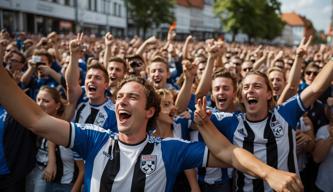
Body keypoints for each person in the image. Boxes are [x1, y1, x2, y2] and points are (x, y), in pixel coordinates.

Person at [0, 41, 303, 192]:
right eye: (119, 96)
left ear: (150, 111)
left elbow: (228, 152)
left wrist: (268, 173)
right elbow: (36, 119)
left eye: (132, 96)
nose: (121, 101)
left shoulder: (168, 149)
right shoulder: (94, 138)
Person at [195, 56, 333, 191]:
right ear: (241, 98)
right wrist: (200, 117)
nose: (250, 90)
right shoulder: (230, 121)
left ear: (269, 94)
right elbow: (189, 110)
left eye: (257, 86)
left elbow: (316, 88)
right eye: (246, 87)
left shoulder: (285, 113)